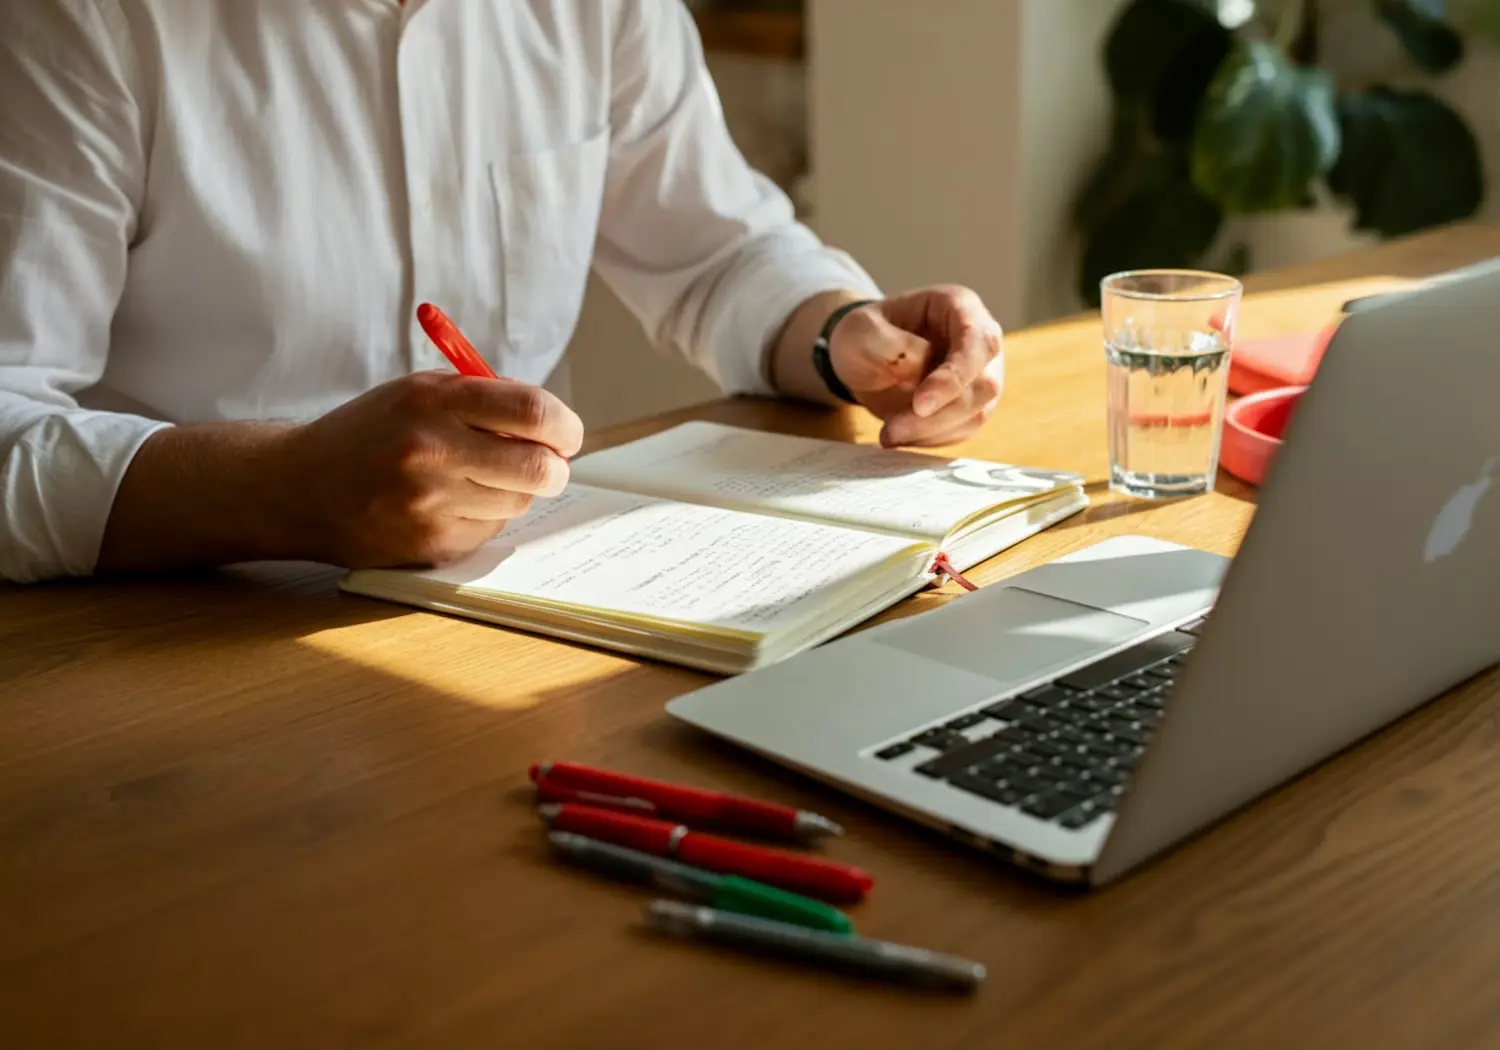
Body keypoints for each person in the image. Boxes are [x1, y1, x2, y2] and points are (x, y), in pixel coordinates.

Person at [0, 1, 1006, 585]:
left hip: (514, 611)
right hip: (172, 644)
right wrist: (287, 490)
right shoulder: (79, 22)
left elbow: (713, 250)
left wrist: (843, 334)